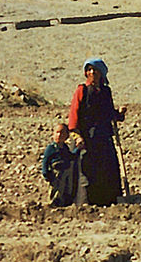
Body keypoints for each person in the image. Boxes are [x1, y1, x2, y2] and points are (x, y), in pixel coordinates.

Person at [67, 58, 126, 206]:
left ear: (101, 73)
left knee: (107, 169)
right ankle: (86, 203)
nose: (92, 72)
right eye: (89, 70)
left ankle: (107, 201)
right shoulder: (82, 90)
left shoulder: (106, 91)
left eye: (95, 70)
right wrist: (76, 134)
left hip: (103, 137)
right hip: (86, 138)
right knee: (87, 170)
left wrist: (119, 114)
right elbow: (74, 113)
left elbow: (109, 113)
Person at [41, 122, 81, 207]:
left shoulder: (65, 148)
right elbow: (45, 161)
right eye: (57, 132)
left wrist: (78, 149)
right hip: (56, 174)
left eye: (62, 133)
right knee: (56, 191)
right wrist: (46, 174)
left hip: (65, 172)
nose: (59, 135)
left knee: (66, 189)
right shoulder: (51, 148)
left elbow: (70, 157)